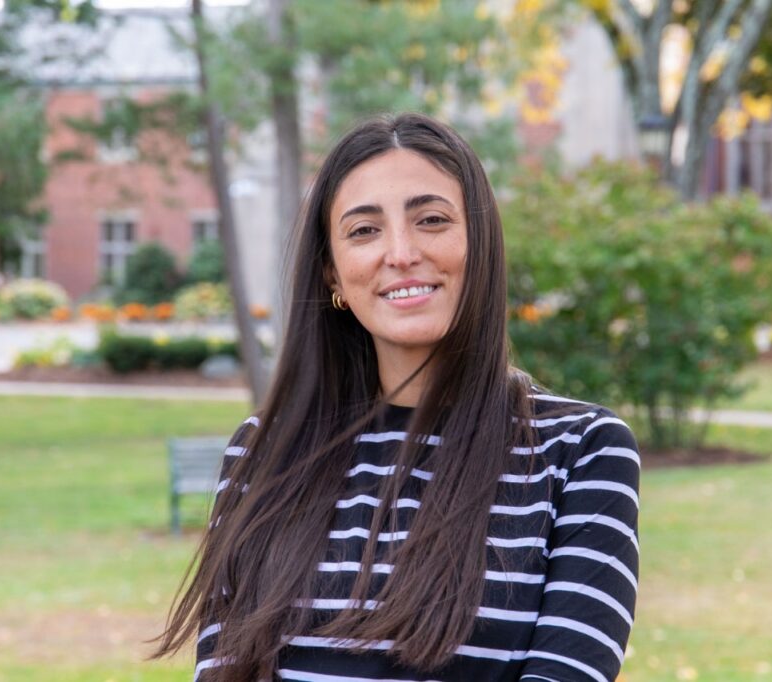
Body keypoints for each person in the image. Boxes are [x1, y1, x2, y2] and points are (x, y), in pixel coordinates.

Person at [151, 113, 640, 682]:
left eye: (431, 219)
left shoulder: (581, 452)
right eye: (364, 230)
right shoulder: (262, 453)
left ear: (479, 243)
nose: (401, 252)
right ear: (332, 274)